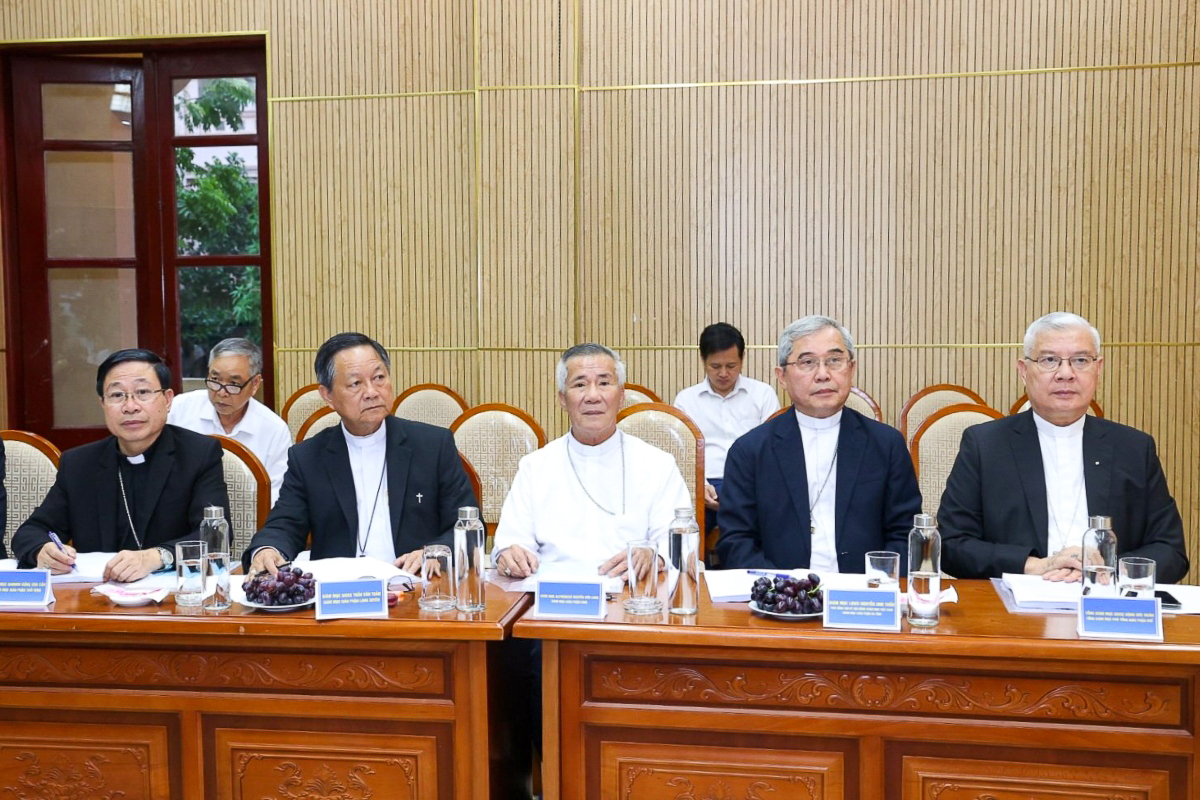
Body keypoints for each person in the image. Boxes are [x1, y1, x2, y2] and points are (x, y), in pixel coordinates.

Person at [939, 312, 1188, 583]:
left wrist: (1108, 571)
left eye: (1080, 360)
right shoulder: (985, 445)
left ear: (1098, 368)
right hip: (1015, 606)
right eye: (1049, 360)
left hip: (1106, 600)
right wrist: (1036, 565)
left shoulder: (1134, 448)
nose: (1066, 374)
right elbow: (953, 545)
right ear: (1023, 371)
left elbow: (1170, 551)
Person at [242, 332, 476, 575]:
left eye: (379, 378)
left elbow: (468, 527)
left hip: (417, 589)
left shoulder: (432, 446)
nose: (372, 392)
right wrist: (267, 549)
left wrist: (435, 552)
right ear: (327, 396)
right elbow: (285, 524)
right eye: (355, 383)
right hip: (340, 594)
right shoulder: (308, 458)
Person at [716, 315, 921, 571]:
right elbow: (736, 542)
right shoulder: (750, 451)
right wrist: (782, 592)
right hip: (780, 601)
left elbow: (905, 535)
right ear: (782, 377)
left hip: (864, 596)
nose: (823, 374)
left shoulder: (886, 445)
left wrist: (871, 587)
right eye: (808, 362)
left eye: (834, 360)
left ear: (852, 369)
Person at [10, 349, 230, 581]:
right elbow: (30, 532)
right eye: (117, 395)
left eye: (142, 392)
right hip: (96, 601)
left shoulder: (199, 454)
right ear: (103, 404)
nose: (130, 406)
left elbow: (214, 536)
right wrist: (42, 551)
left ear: (167, 400)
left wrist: (156, 557)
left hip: (176, 600)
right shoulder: (79, 464)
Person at [493, 343, 691, 580]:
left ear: (621, 397)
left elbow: (678, 543)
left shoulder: (658, 464)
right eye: (580, 385)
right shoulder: (535, 466)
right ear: (562, 399)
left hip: (633, 596)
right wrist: (510, 553)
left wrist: (655, 556)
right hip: (552, 599)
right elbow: (511, 540)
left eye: (604, 383)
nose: (593, 396)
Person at [673, 323, 779, 537]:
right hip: (705, 484)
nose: (723, 373)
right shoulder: (686, 400)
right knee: (684, 530)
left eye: (731, 366)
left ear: (743, 359)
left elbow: (773, 450)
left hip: (751, 484)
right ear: (703, 360)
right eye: (715, 366)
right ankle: (700, 570)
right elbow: (681, 453)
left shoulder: (762, 394)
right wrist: (700, 486)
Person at [168, 337, 291, 504]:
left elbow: (276, 495)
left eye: (234, 383)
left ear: (255, 384)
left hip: (252, 523)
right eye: (215, 380)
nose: (221, 392)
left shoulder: (274, 429)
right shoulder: (179, 409)